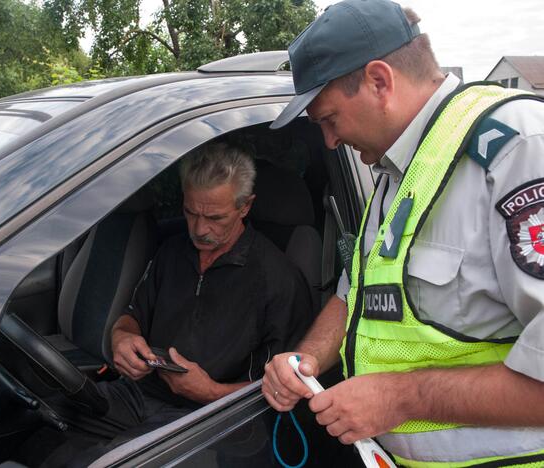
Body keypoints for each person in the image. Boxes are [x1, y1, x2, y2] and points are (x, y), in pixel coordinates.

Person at [263, 0, 544, 467]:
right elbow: (359, 293)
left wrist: (401, 398)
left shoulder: (517, 151)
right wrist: (307, 360)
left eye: (329, 119)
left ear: (379, 81)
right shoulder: (400, 167)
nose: (329, 142)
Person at [56, 143, 312, 467]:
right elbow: (131, 317)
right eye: (191, 212)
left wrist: (209, 391)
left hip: (214, 418)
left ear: (245, 206)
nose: (200, 229)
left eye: (215, 217)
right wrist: (121, 337)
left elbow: (286, 389)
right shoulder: (173, 251)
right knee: (44, 422)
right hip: (140, 394)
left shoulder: (278, 279)